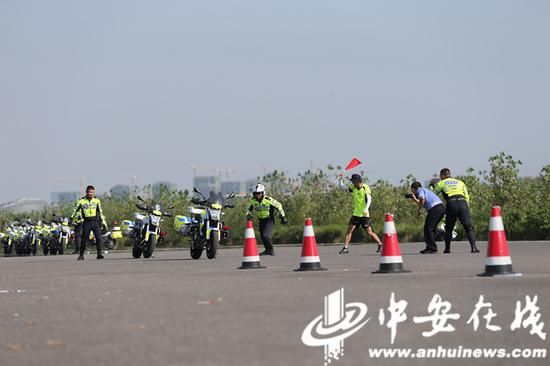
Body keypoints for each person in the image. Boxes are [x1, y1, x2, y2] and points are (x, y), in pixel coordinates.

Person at [433, 168, 480, 254]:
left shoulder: (441, 182)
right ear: (450, 174)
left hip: (452, 204)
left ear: (442, 175)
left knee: (449, 228)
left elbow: (433, 193)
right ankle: (474, 248)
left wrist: (432, 185)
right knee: (468, 227)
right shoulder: (460, 182)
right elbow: (467, 197)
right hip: (463, 203)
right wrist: (466, 208)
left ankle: (447, 249)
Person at [337, 174, 383, 254]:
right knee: (350, 229)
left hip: (364, 214)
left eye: (354, 182)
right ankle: (345, 248)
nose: (353, 183)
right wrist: (340, 179)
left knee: (369, 231)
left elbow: (369, 200)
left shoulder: (365, 187)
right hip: (356, 213)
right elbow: (342, 187)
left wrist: (366, 209)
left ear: (358, 181)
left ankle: (380, 244)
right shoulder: (353, 187)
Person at [246, 184, 287, 256]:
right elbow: (249, 210)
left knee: (265, 235)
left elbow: (279, 206)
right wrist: (248, 215)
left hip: (269, 220)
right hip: (261, 220)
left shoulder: (268, 200)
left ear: (263, 193)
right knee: (262, 236)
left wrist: (283, 217)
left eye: (259, 193)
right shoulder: (253, 201)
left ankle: (271, 250)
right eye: (255, 193)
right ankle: (267, 250)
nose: (257, 195)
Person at [71, 185, 108, 260]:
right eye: (89, 192)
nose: (91, 194)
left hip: (95, 221)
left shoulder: (97, 201)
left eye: (92, 192)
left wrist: (102, 221)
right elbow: (75, 211)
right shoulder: (81, 201)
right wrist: (71, 218)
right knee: (84, 239)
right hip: (86, 222)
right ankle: (81, 255)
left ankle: (99, 254)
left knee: (99, 238)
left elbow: (100, 212)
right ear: (86, 192)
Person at [408, 181, 446, 254]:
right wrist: (415, 200)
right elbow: (423, 201)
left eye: (412, 190)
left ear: (413, 188)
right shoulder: (425, 190)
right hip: (441, 207)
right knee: (432, 227)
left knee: (428, 228)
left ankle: (431, 247)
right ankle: (441, 234)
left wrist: (419, 210)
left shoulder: (420, 190)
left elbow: (422, 199)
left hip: (435, 208)